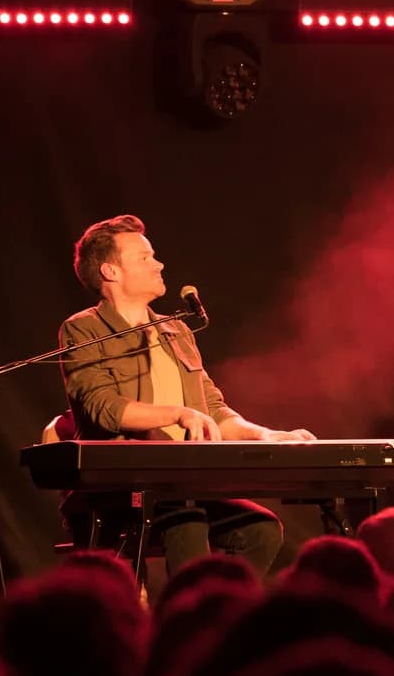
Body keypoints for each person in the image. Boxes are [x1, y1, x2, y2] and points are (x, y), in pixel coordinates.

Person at [59, 214, 314, 575]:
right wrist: (177, 413)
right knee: (187, 521)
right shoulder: (83, 329)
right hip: (121, 487)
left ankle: (220, 605)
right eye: (145, 258)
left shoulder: (176, 331)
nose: (159, 264)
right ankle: (188, 609)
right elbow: (104, 408)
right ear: (110, 272)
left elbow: (213, 410)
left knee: (261, 529)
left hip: (183, 486)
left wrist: (265, 435)